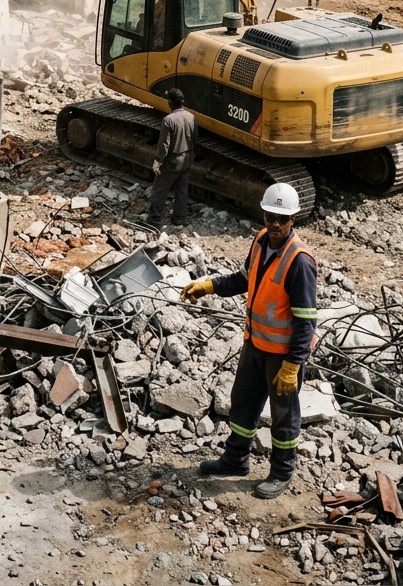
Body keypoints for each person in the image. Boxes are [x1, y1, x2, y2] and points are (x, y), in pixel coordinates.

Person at [180, 183, 317, 499]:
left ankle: (281, 472)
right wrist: (210, 286)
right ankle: (235, 459)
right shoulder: (259, 242)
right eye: (271, 216)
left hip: (282, 357)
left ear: (293, 220)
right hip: (255, 345)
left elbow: (307, 322)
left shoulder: (300, 261)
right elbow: (243, 279)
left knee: (284, 418)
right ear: (264, 214)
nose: (275, 224)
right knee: (242, 404)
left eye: (282, 219)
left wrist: (293, 366)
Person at [147, 86, 198, 229]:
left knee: (159, 190)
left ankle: (154, 220)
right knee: (182, 190)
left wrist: (158, 161)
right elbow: (195, 139)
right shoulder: (191, 117)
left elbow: (164, 144)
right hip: (187, 159)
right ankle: (178, 220)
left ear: (169, 102)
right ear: (183, 101)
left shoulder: (168, 120)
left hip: (172, 161)